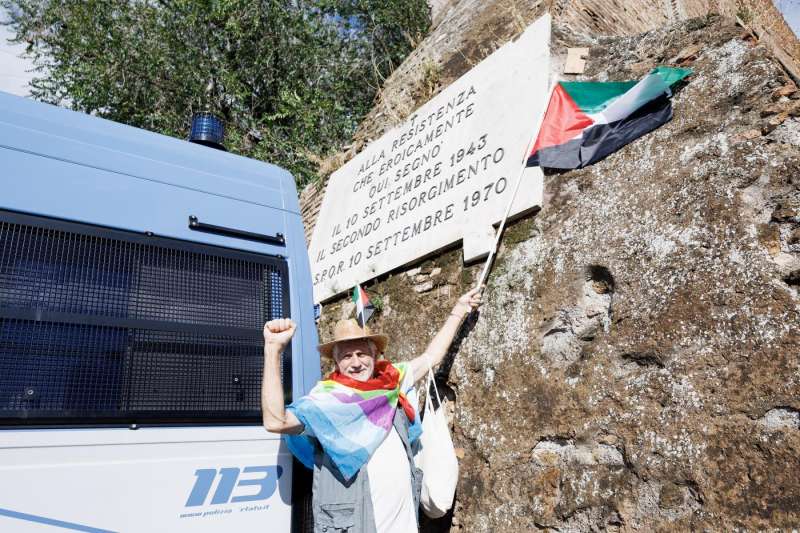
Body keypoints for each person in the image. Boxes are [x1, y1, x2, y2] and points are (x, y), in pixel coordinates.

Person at [261, 286, 483, 533]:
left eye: (361, 353)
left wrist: (458, 310)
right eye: (346, 356)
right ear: (336, 362)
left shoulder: (390, 380)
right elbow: (275, 421)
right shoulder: (326, 400)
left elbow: (432, 356)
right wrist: (273, 350)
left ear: (375, 355)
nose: (356, 363)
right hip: (357, 524)